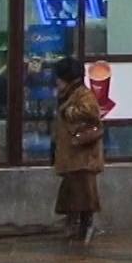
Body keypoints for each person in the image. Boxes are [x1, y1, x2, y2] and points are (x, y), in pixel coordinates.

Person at [51, 57, 105, 242]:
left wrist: (68, 111)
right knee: (71, 193)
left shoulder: (82, 95)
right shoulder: (68, 94)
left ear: (67, 78)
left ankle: (85, 227)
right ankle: (73, 226)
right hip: (73, 155)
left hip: (83, 155)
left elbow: (92, 113)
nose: (57, 82)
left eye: (59, 78)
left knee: (84, 194)